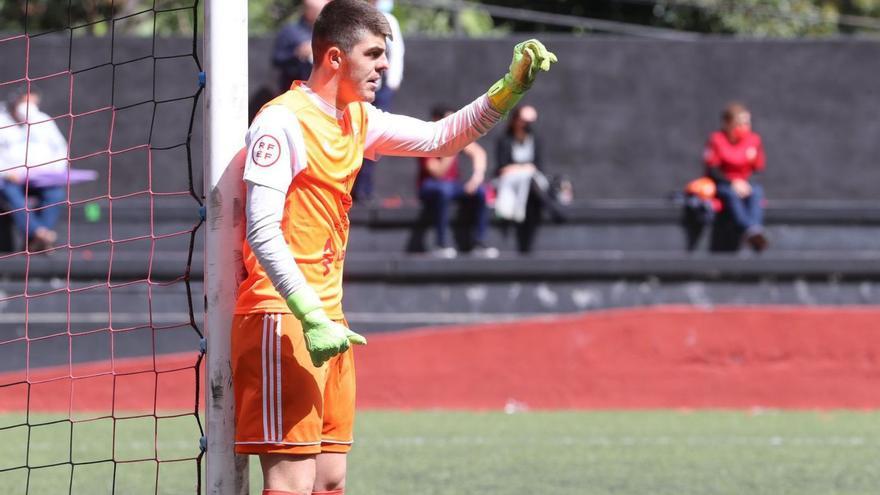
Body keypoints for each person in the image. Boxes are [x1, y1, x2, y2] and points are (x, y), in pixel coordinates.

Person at [230, 1, 557, 494]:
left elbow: (441, 139)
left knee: (330, 480)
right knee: (291, 484)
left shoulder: (356, 118)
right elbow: (261, 229)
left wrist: (506, 89)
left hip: (328, 320)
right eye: (375, 54)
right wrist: (309, 313)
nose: (386, 66)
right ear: (336, 58)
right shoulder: (282, 123)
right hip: (283, 317)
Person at [417, 105, 497, 259]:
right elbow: (437, 173)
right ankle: (441, 244)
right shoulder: (426, 140)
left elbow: (479, 153)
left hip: (452, 185)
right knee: (443, 190)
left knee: (481, 192)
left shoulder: (458, 139)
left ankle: (479, 242)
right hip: (430, 186)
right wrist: (452, 147)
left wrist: (476, 178)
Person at [0, 88, 68, 251]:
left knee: (56, 194)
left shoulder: (44, 121)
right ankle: (40, 235)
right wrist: (6, 172)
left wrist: (52, 171)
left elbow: (61, 149)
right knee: (11, 194)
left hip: (41, 179)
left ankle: (37, 236)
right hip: (9, 179)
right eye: (26, 102)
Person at [351, 0, 405, 202]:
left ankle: (363, 189)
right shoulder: (353, 19)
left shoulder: (388, 20)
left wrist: (392, 83)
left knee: (372, 141)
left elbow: (396, 52)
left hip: (380, 92)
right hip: (356, 89)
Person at [493, 104, 561, 254]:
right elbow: (501, 167)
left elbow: (538, 165)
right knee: (528, 180)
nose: (525, 125)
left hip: (531, 182)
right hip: (510, 181)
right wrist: (522, 169)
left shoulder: (535, 139)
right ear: (515, 120)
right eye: (523, 120)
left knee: (530, 184)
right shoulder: (504, 139)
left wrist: (527, 169)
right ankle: (551, 206)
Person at [703, 101, 768, 251]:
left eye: (747, 123)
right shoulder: (716, 140)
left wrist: (745, 183)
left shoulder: (754, 140)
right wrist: (732, 182)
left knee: (757, 192)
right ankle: (749, 230)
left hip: (746, 184)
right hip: (724, 184)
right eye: (740, 123)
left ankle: (754, 229)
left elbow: (757, 169)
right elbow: (712, 170)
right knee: (731, 195)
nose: (745, 127)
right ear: (728, 123)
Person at [271, 0, 330, 93]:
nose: (323, 15)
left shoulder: (330, 32)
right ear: (308, 11)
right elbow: (277, 59)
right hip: (295, 90)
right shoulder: (290, 31)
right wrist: (298, 52)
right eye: (318, 11)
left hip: (323, 91)